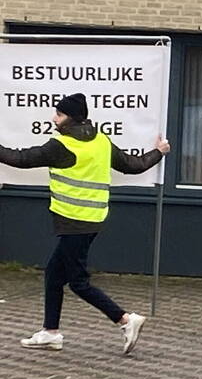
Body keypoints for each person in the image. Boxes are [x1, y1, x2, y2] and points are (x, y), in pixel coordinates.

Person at [0, 93, 170, 354]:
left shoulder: (61, 145)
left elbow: (20, 159)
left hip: (73, 221)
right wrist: (159, 152)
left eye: (58, 114)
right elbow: (133, 165)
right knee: (54, 274)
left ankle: (125, 320)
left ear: (69, 118)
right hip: (93, 219)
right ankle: (50, 332)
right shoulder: (101, 140)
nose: (54, 118)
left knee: (78, 281)